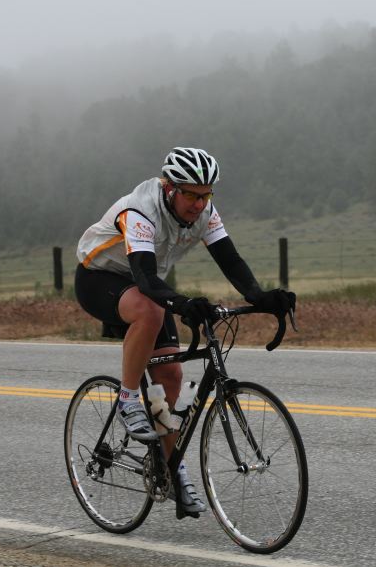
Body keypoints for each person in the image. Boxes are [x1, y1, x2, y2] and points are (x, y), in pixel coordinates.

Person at [74, 147, 295, 516]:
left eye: (206, 194)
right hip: (100, 277)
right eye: (191, 194)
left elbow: (230, 259)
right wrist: (182, 303)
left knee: (171, 377)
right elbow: (144, 277)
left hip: (146, 285)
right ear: (169, 187)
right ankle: (129, 398)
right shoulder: (141, 209)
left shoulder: (204, 210)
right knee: (151, 306)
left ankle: (171, 468)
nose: (198, 203)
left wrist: (261, 296)